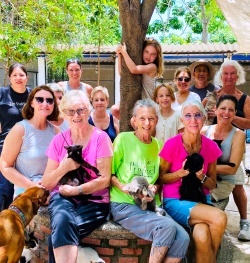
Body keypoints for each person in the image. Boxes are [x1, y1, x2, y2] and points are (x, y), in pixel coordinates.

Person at [110, 99, 190, 263]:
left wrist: (155, 187)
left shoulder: (159, 145)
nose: (147, 123)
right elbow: (109, 175)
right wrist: (123, 186)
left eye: (151, 119)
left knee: (183, 238)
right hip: (124, 204)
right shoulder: (123, 140)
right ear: (134, 121)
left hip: (150, 205)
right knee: (166, 227)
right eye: (142, 118)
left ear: (157, 121)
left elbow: (160, 178)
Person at [42, 90, 113, 263]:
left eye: (81, 110)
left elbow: (104, 179)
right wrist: (63, 168)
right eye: (71, 111)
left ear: (88, 111)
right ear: (64, 114)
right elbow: (47, 182)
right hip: (63, 196)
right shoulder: (58, 141)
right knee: (61, 218)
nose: (76, 115)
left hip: (94, 200)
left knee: (58, 234)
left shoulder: (100, 138)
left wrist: (77, 190)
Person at [159, 100, 227, 263]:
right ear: (181, 120)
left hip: (201, 200)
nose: (193, 120)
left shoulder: (210, 147)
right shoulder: (171, 144)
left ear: (203, 118)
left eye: (197, 115)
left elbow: (212, 184)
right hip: (176, 201)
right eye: (188, 116)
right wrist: (180, 173)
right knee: (220, 217)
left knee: (202, 235)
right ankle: (214, 258)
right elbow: (161, 177)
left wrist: (201, 177)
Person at [202, 60, 250, 241]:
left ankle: (245, 221)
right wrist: (209, 114)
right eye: (225, 73)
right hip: (212, 140)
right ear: (220, 76)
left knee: (237, 184)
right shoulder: (213, 95)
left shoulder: (244, 98)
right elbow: (200, 112)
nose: (229, 77)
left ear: (238, 76)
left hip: (233, 142)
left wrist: (228, 115)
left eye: (232, 73)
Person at [0, 85, 59, 197]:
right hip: (27, 195)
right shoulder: (20, 129)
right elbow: (5, 166)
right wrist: (31, 185)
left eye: (50, 100)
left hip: (52, 193)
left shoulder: (57, 132)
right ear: (31, 103)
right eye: (39, 99)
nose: (45, 104)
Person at [201, 95, 245, 205]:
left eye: (231, 110)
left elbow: (232, 169)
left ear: (235, 113)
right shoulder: (204, 131)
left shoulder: (238, 135)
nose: (226, 113)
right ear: (215, 110)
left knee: (198, 197)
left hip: (223, 182)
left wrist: (203, 168)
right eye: (223, 108)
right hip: (202, 177)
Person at [0, 63, 32, 210]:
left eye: (21, 75)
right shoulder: (2, 93)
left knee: (25, 188)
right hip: (5, 146)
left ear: (27, 77)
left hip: (28, 147)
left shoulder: (33, 95)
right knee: (4, 188)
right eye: (15, 75)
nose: (18, 78)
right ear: (10, 78)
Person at [111, 38, 164, 120]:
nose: (148, 56)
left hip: (147, 104)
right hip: (135, 102)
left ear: (157, 57)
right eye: (146, 52)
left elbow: (134, 69)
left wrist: (124, 53)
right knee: (114, 109)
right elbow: (122, 74)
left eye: (153, 54)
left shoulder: (152, 67)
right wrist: (119, 55)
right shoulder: (140, 64)